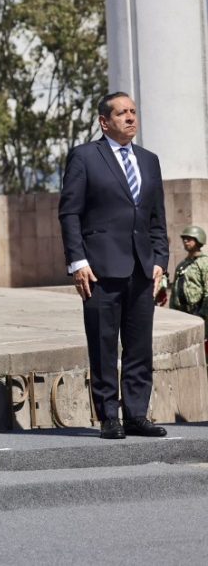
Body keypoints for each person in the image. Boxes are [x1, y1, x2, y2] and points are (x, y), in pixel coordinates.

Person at [59, 92, 169, 440]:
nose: (130, 118)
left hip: (142, 268)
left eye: (134, 112)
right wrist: (77, 260)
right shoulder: (85, 157)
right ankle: (109, 416)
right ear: (104, 121)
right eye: (122, 113)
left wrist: (160, 261)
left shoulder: (149, 160)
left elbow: (156, 218)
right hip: (100, 269)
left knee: (139, 346)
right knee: (104, 344)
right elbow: (70, 212)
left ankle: (137, 413)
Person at [170, 226, 208, 323]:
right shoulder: (182, 265)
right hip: (181, 313)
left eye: (189, 239)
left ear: (198, 240)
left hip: (198, 312)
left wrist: (202, 314)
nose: (185, 241)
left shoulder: (204, 262)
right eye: (184, 239)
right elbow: (174, 290)